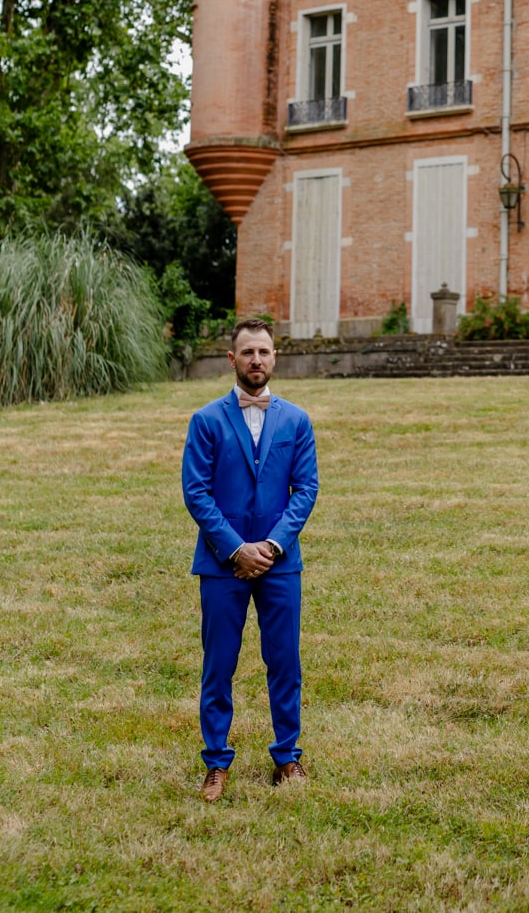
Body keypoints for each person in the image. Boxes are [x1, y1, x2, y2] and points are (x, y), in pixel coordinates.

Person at [181, 317, 318, 802]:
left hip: (281, 564)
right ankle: (216, 762)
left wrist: (272, 546)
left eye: (264, 352)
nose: (256, 360)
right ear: (232, 360)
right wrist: (236, 548)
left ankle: (287, 757)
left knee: (284, 662)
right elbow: (196, 493)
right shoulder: (206, 420)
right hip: (222, 563)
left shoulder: (297, 420)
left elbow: (306, 490)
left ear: (274, 357)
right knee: (219, 664)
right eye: (248, 353)